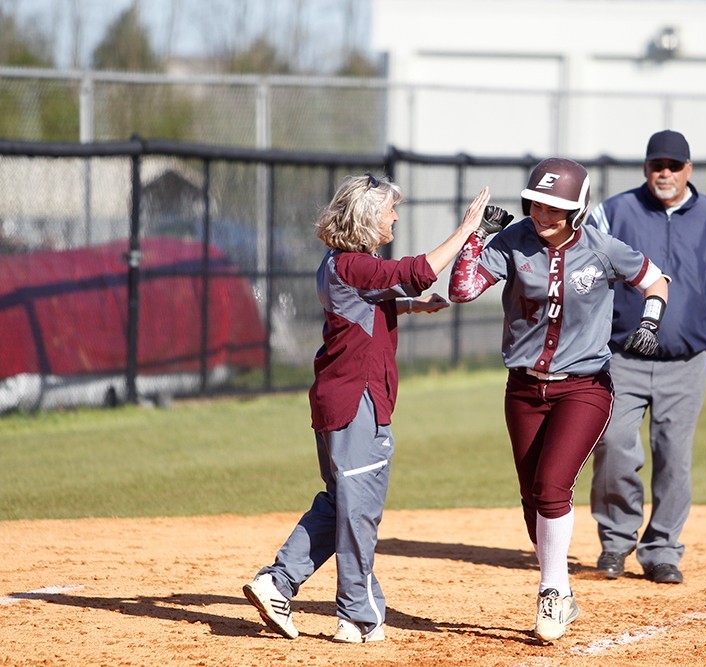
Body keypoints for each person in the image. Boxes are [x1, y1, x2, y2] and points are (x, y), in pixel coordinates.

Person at [243, 173, 491, 644]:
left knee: (341, 505)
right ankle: (355, 614)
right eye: (388, 210)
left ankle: (277, 582)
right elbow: (414, 271)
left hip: (339, 399)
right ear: (366, 219)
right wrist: (465, 231)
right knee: (359, 511)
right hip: (357, 402)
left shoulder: (340, 265)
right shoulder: (353, 265)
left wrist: (414, 307)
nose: (395, 216)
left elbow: (376, 299)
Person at [449, 157, 670, 642]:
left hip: (584, 386)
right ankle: (561, 591)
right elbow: (462, 289)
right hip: (524, 389)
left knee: (552, 485)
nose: (542, 215)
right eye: (536, 205)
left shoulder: (601, 247)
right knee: (533, 499)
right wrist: (476, 238)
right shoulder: (512, 241)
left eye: (555, 208)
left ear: (577, 209)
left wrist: (650, 320)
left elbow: (656, 278)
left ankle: (553, 592)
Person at [588, 129, 706, 585]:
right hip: (619, 359)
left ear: (689, 169)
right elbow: (584, 278)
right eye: (656, 165)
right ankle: (615, 542)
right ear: (646, 168)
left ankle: (662, 549)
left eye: (674, 165)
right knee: (612, 447)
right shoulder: (613, 213)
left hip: (685, 364)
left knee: (673, 457)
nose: (665, 173)